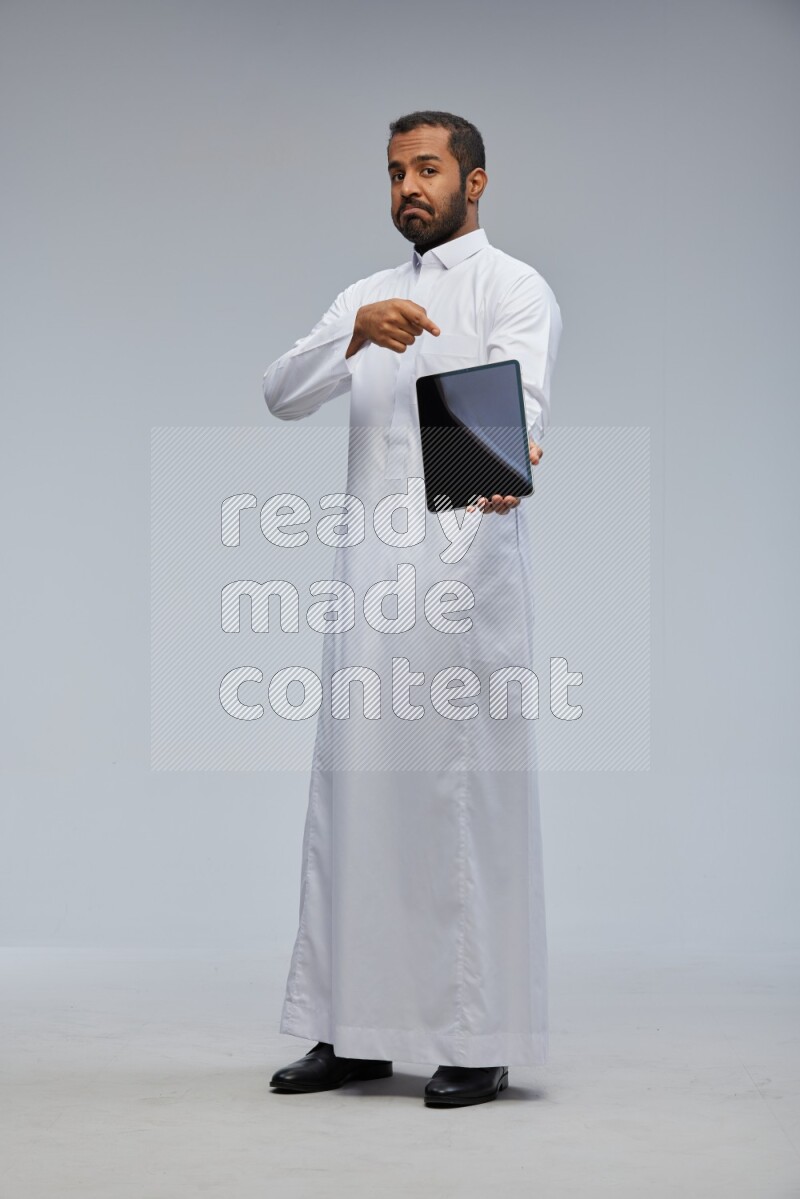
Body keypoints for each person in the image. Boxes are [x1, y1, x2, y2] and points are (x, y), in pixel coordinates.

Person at [262, 110, 563, 1107]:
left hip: (464, 587)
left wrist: (511, 456)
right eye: (396, 172)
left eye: (427, 169)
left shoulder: (512, 286)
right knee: (354, 803)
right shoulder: (365, 295)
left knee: (460, 805)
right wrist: (353, 335)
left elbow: (521, 406)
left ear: (473, 182)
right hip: (366, 590)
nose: (408, 189)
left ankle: (477, 1037)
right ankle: (352, 1029)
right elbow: (281, 391)